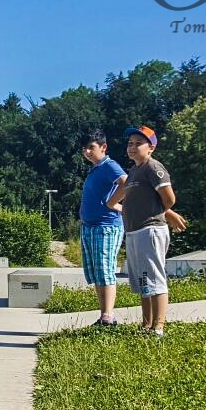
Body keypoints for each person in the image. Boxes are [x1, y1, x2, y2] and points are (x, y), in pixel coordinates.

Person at [105, 126, 188, 337]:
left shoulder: (153, 168)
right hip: (134, 232)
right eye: (130, 143)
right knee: (143, 281)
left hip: (150, 230)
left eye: (137, 143)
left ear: (150, 148)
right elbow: (113, 202)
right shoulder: (133, 172)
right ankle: (146, 325)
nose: (132, 147)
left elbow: (168, 199)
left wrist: (160, 213)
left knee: (155, 279)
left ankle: (158, 327)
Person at [77, 130, 127, 325]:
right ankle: (103, 315)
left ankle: (108, 316)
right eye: (84, 149)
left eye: (92, 147)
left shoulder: (109, 165)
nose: (87, 152)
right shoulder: (96, 169)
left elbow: (126, 183)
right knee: (96, 271)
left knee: (105, 269)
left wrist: (113, 203)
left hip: (106, 226)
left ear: (103, 147)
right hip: (90, 226)